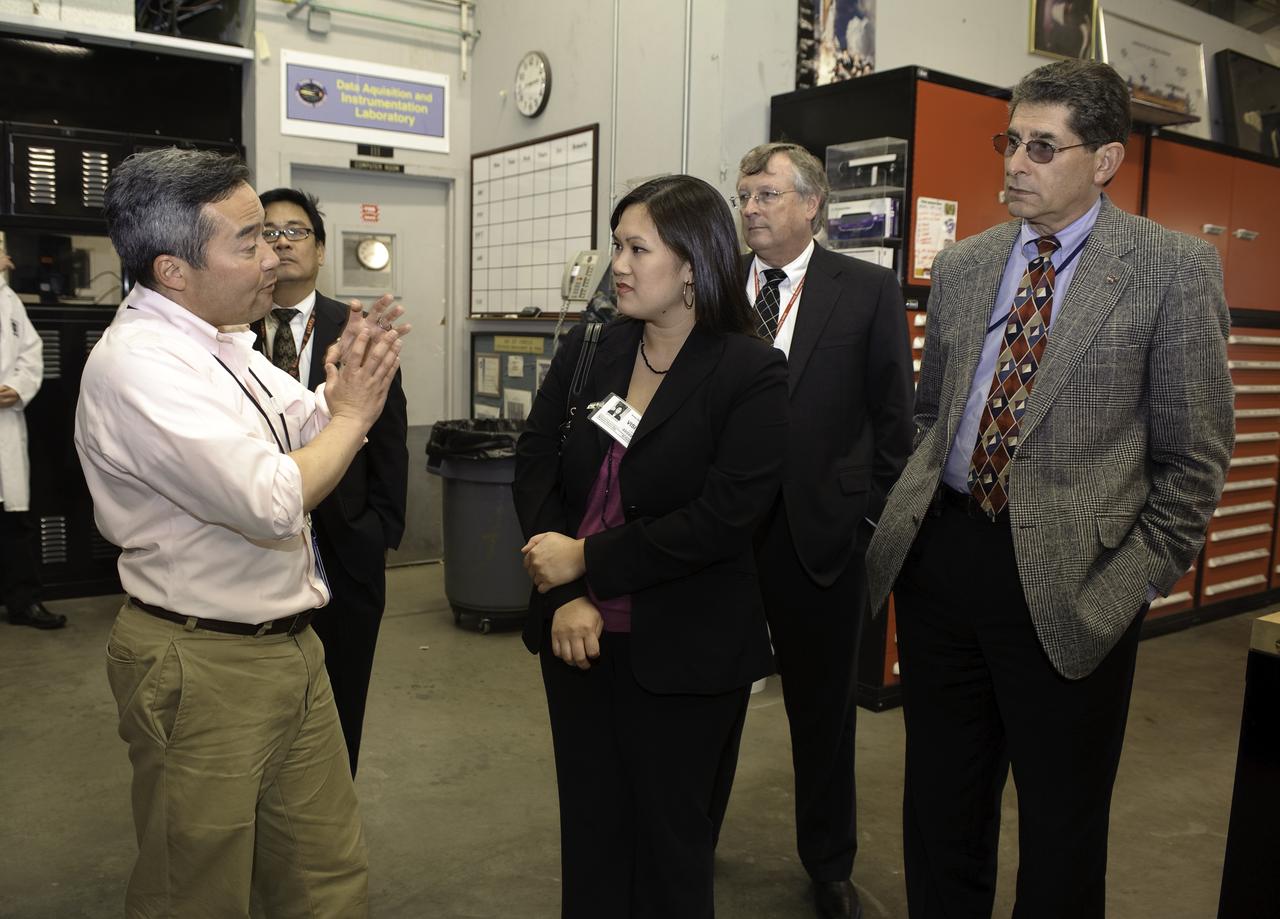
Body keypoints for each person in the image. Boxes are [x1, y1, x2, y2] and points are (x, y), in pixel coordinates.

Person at [865, 59, 1234, 918]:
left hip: (1074, 579)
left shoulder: (1171, 270)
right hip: (944, 563)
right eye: (1010, 141)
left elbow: (1196, 460)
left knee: (1063, 825)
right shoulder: (965, 265)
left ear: (1105, 160)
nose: (1015, 165)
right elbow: (930, 413)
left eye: (1042, 147)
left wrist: (1130, 586)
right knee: (940, 808)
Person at [75, 148, 408, 916]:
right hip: (202, 662)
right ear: (172, 269)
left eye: (277, 236)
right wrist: (355, 415)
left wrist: (345, 388)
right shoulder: (139, 367)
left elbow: (308, 425)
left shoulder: (226, 340)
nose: (275, 256)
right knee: (196, 887)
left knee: (324, 872)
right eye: (250, 241)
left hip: (289, 645)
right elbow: (272, 497)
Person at [512, 174, 789, 918]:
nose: (619, 264)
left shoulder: (750, 372)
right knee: (594, 835)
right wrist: (566, 592)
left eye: (637, 248)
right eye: (616, 246)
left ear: (693, 264)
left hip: (684, 650)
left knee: (670, 848)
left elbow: (724, 516)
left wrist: (589, 560)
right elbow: (536, 460)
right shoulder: (593, 348)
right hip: (580, 646)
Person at [729, 141, 914, 919]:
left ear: (812, 205)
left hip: (823, 538)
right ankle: (688, 830)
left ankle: (829, 861)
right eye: (743, 196)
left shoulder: (866, 291)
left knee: (824, 712)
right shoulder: (712, 293)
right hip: (722, 536)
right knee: (703, 697)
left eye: (768, 194)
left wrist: (865, 519)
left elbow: (892, 422)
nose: (751, 209)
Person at [252, 187, 409, 777]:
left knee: (341, 700)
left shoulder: (355, 326)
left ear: (319, 250)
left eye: (296, 231)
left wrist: (379, 531)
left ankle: (329, 824)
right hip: (254, 545)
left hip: (345, 549)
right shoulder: (227, 326)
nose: (282, 243)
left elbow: (389, 438)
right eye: (267, 232)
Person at [0, 252, 63, 629]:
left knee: (13, 524)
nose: (7, 258)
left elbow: (31, 352)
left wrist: (19, 387)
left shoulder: (9, 301)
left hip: (5, 421)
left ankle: (24, 602)